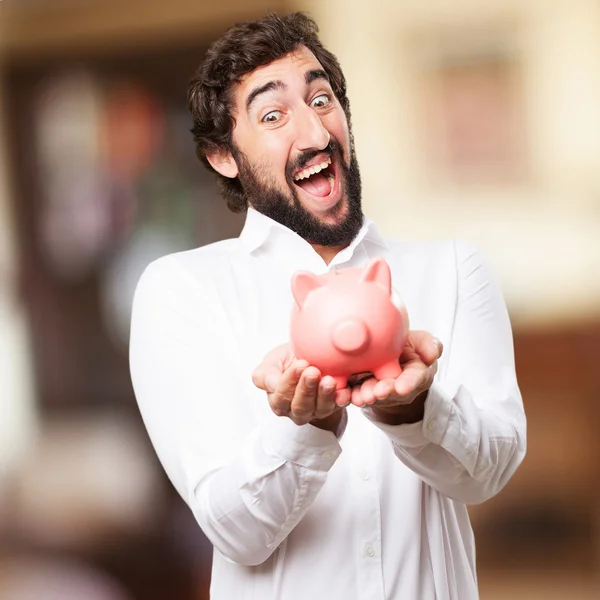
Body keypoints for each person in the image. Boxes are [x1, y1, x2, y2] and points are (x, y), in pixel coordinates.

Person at [129, 12, 526, 600]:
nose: (315, 133)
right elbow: (235, 532)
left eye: (322, 99)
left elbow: (489, 474)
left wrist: (413, 410)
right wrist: (305, 430)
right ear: (223, 157)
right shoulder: (182, 290)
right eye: (273, 115)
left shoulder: (454, 270)